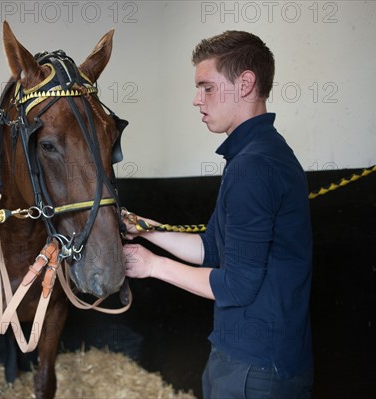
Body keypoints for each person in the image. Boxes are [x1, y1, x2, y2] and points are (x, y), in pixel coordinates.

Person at [123, 31, 313, 398]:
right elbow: (213, 249)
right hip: (244, 357)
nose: (196, 100)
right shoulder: (255, 155)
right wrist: (144, 230)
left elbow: (237, 285)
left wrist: (152, 266)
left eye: (207, 87)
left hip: (256, 368)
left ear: (245, 84)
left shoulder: (253, 166)